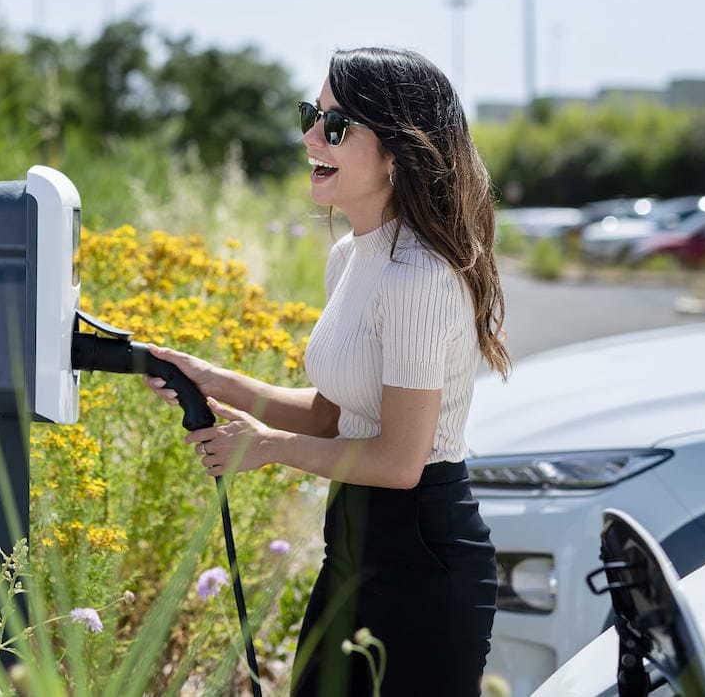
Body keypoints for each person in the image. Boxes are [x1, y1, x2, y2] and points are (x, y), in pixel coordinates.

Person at [142, 46, 512, 696]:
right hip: (353, 539)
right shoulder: (350, 255)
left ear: (397, 154)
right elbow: (330, 414)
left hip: (424, 558)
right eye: (312, 115)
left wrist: (266, 450)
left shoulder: (420, 277)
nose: (311, 135)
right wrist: (214, 379)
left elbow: (400, 462)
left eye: (336, 126)